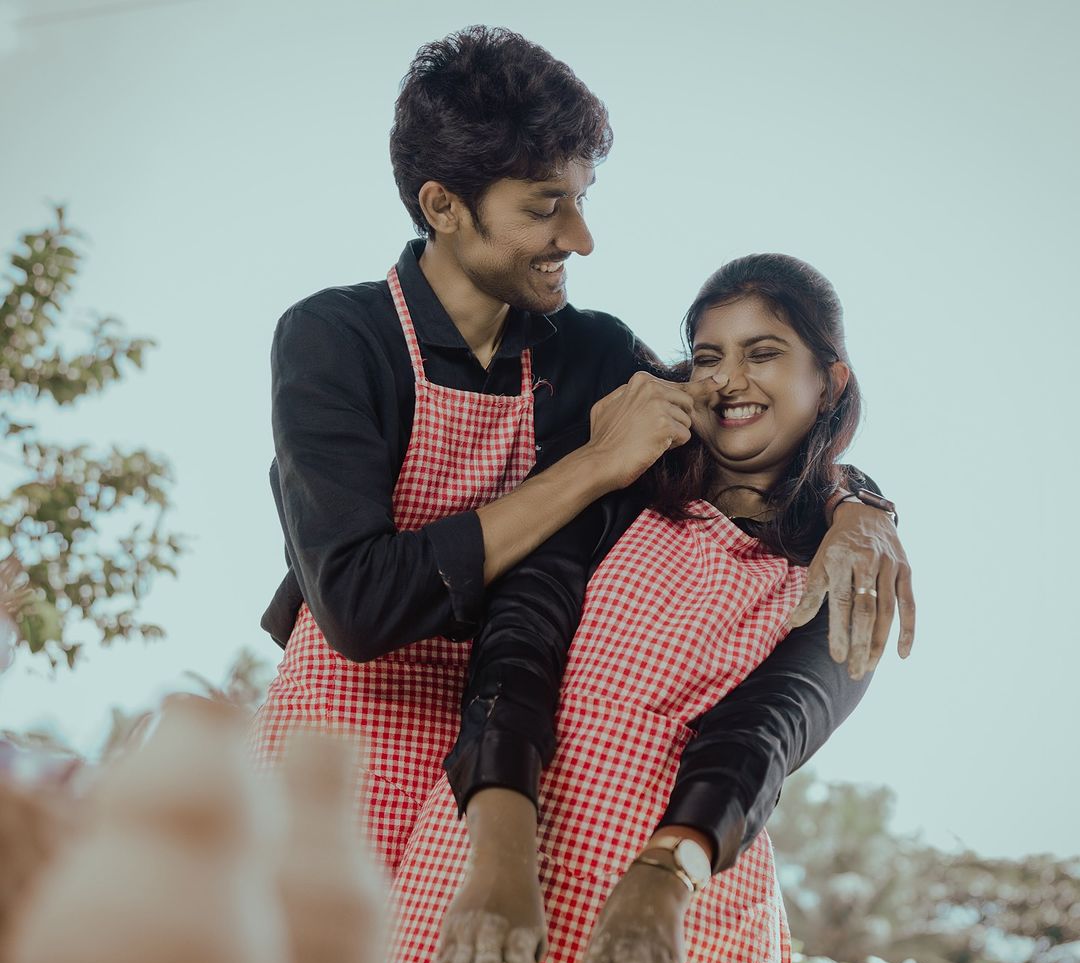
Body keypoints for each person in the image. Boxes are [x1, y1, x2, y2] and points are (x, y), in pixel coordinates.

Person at [251, 28, 912, 885]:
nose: (581, 237)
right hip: (332, 754)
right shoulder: (335, 338)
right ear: (444, 203)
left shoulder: (594, 353)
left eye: (581, 197)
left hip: (496, 768)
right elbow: (360, 604)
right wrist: (594, 467)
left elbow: (747, 419)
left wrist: (861, 505)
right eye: (542, 206)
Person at [391, 254, 885, 963]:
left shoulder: (847, 570)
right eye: (707, 355)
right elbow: (517, 653)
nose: (729, 379)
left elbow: (764, 730)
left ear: (829, 381)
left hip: (685, 907)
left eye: (762, 353)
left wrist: (663, 878)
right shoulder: (618, 489)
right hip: (495, 847)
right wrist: (501, 860)